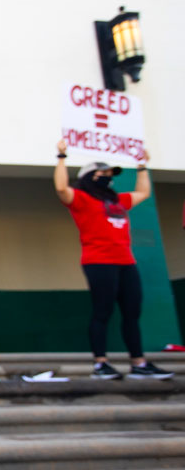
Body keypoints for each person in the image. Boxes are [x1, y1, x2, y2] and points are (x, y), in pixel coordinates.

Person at [54, 139, 173, 379]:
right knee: (103, 311)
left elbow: (143, 193)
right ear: (90, 177)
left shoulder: (117, 200)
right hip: (98, 261)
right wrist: (61, 157)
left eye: (111, 174)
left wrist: (141, 165)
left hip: (126, 262)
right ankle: (100, 364)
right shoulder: (81, 199)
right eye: (103, 173)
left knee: (132, 312)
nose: (109, 177)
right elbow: (60, 189)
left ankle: (138, 364)